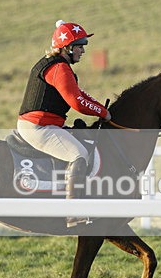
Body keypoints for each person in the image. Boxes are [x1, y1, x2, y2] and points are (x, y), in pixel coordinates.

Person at [17, 20, 111, 227]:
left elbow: (78, 94)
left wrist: (101, 109)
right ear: (67, 47)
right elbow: (76, 101)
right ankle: (72, 213)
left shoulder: (58, 65)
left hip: (45, 124)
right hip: (39, 127)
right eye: (79, 46)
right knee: (79, 155)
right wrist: (102, 113)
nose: (83, 51)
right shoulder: (59, 68)